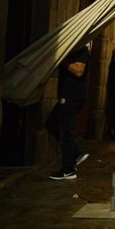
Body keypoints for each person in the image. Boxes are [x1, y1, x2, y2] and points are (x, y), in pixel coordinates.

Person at [46, 45, 90, 180]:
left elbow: (78, 71)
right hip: (66, 96)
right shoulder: (70, 49)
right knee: (51, 123)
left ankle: (68, 170)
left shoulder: (81, 50)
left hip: (72, 96)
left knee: (66, 132)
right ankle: (76, 153)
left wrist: (62, 58)